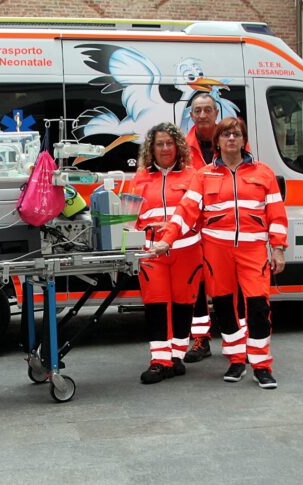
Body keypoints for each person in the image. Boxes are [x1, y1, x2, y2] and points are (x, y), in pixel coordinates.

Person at [151, 117, 288, 389]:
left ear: (243, 139)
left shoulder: (264, 173)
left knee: (259, 307)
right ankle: (237, 360)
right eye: (225, 135)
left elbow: (277, 214)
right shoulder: (204, 176)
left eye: (236, 134)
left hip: (254, 251)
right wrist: (167, 240)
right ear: (217, 142)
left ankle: (261, 364)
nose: (231, 139)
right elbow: (185, 212)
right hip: (216, 252)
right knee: (225, 307)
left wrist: (279, 249)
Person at [131, 122, 202, 384]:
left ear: (178, 146)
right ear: (151, 147)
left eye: (169, 143)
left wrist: (174, 228)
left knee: (184, 305)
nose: (164, 148)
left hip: (186, 251)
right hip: (152, 254)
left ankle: (176, 356)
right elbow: (131, 216)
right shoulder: (140, 178)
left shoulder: (193, 176)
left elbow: (198, 213)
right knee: (157, 305)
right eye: (159, 143)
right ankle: (159, 361)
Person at [183, 93, 246, 363]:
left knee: (236, 285)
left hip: (226, 228)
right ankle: (200, 340)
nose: (203, 114)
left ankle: (241, 339)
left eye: (208, 109)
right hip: (195, 227)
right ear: (192, 115)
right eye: (198, 110)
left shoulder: (230, 140)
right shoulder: (183, 147)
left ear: (215, 112)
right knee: (197, 285)